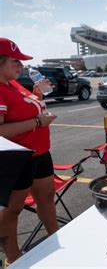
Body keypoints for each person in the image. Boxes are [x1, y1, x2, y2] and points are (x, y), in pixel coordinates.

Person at [0, 38, 58, 265]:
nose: (21, 65)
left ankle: (56, 239)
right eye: (16, 61)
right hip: (16, 159)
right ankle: (13, 259)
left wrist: (37, 93)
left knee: (46, 199)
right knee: (12, 211)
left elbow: (27, 108)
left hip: (39, 152)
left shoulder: (13, 83)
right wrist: (37, 122)